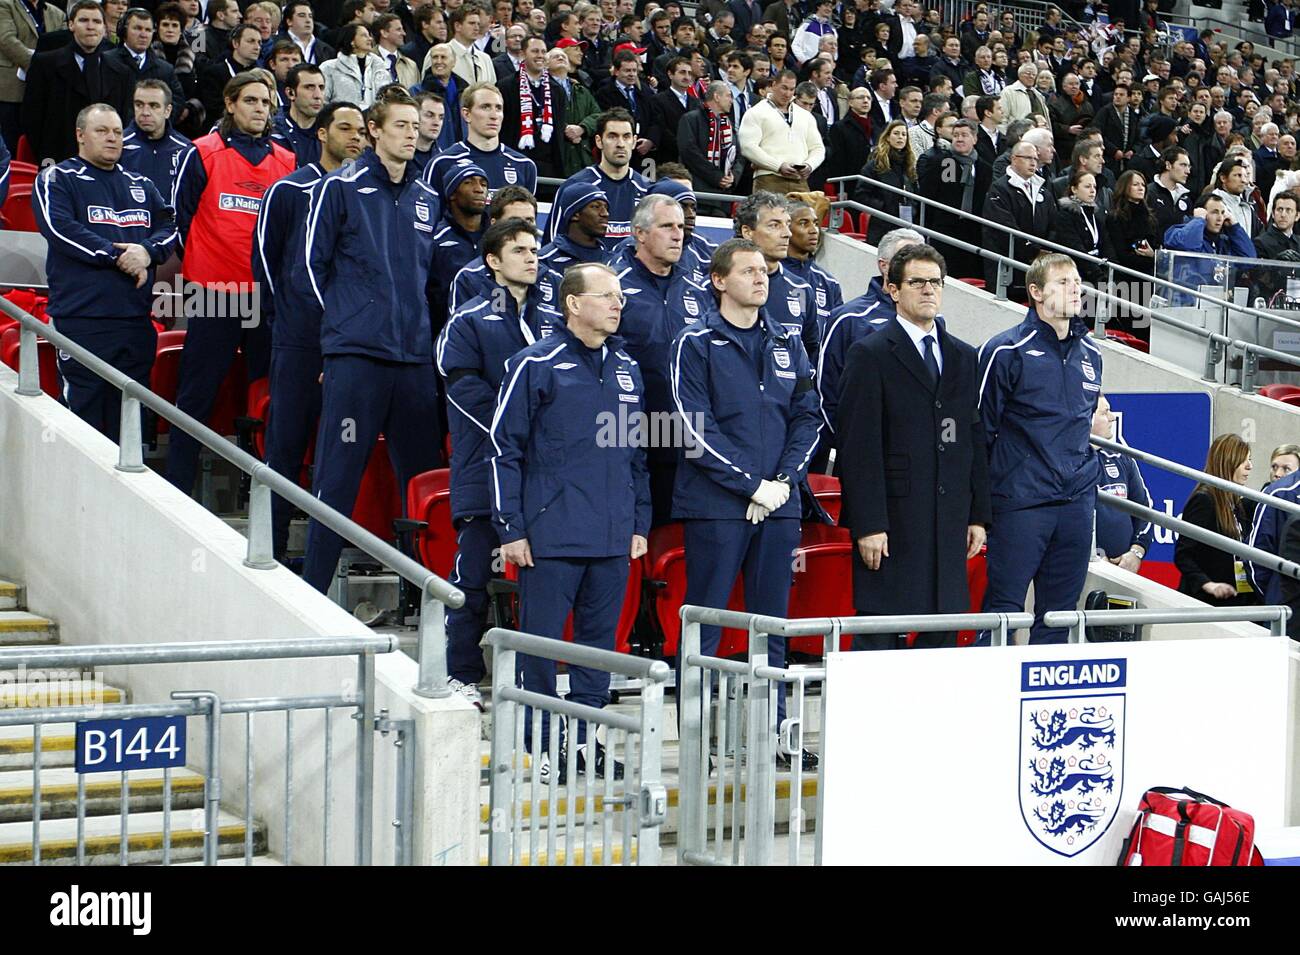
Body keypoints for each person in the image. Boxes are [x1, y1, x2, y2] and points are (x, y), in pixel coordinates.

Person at [491, 261, 650, 776]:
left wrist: (639, 522)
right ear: (573, 303)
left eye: (620, 297)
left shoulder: (627, 368)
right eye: (606, 296)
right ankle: (540, 747)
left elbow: (636, 454)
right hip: (550, 535)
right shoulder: (535, 363)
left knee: (598, 650)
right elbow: (502, 450)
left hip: (611, 535)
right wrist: (511, 529)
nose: (617, 304)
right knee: (540, 647)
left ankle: (585, 744)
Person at [670, 237, 821, 765]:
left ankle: (775, 733)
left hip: (779, 504)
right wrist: (750, 484)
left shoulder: (788, 340)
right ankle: (699, 738)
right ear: (718, 280)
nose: (762, 278)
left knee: (773, 624)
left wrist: (780, 482)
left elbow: (808, 416)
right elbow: (691, 426)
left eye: (765, 271)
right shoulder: (695, 342)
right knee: (708, 624)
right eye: (748, 270)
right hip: (716, 504)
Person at [301, 91, 444, 592]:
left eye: (416, 125)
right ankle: (311, 590)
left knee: (423, 484)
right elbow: (309, 269)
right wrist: (339, 335)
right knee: (337, 476)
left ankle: (421, 596)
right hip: (357, 359)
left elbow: (430, 284)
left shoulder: (428, 199)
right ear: (374, 131)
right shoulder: (340, 188)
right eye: (401, 125)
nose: (411, 132)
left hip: (413, 363)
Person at [836, 242, 990, 650]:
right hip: (893, 519)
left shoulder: (962, 355)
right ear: (893, 289)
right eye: (917, 282)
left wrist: (977, 515)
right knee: (880, 633)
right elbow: (858, 447)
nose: (928, 290)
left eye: (935, 282)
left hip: (948, 518)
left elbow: (969, 437)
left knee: (941, 634)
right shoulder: (869, 353)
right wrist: (869, 524)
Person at [436, 217, 561, 707]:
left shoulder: (557, 317)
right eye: (520, 251)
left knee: (543, 579)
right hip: (483, 469)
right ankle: (461, 674)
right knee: (472, 578)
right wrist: (522, 429)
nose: (533, 258)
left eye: (535, 250)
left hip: (546, 476)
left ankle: (535, 681)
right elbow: (465, 389)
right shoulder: (467, 320)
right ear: (492, 261)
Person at [165, 72, 297, 496]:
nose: (261, 109)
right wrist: (205, 261)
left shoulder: (286, 159)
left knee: (264, 395)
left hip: (264, 295)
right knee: (198, 392)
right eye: (252, 101)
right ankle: (177, 484)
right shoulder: (202, 152)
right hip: (215, 293)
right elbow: (180, 217)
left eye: (266, 103)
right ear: (230, 103)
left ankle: (259, 487)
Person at [252, 100, 367, 561]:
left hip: (351, 343)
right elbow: (265, 260)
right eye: (345, 128)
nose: (356, 137)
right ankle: (272, 548)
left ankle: (329, 553)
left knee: (341, 448)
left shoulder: (367, 192)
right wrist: (287, 321)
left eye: (362, 130)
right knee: (286, 443)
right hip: (300, 340)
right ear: (321, 133)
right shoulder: (288, 190)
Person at [978, 252, 1102, 645]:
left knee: (1060, 615)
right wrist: (977, 511)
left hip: (1076, 504)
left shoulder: (1093, 355)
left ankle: (1041, 707)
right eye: (1063, 283)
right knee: (1003, 609)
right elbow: (979, 433)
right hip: (1020, 502)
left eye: (1077, 282)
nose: (1075, 289)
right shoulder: (1005, 350)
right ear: (1035, 292)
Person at [33, 103, 176, 440]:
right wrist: (117, 256)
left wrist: (147, 252)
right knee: (84, 425)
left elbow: (169, 226)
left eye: (116, 132)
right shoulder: (58, 177)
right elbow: (60, 228)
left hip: (135, 321)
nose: (112, 138)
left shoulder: (141, 183)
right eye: (102, 131)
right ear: (80, 135)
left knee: (133, 424)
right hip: (82, 320)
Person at [609, 193, 713, 524]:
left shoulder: (697, 287)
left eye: (680, 226)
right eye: (667, 226)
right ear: (640, 233)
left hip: (685, 430)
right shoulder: (613, 285)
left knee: (677, 530)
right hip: (626, 429)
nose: (678, 234)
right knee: (636, 528)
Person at [816, 228, 922, 464]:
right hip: (863, 455)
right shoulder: (849, 318)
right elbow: (826, 391)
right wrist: (849, 444)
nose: (916, 267)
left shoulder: (933, 322)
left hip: (916, 457)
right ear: (884, 266)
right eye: (906, 258)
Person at [21, 1, 130, 165]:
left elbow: (124, 119)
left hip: (104, 163)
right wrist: (47, 155)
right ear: (71, 25)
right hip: (55, 159)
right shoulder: (45, 64)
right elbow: (32, 115)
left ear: (104, 28)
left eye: (97, 21)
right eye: (84, 20)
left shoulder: (121, 72)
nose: (91, 26)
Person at [544, 108, 648, 251]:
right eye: (612, 136)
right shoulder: (575, 187)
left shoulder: (646, 190)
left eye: (626, 137)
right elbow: (552, 245)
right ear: (599, 141)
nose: (620, 144)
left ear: (634, 141)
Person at [1175, 433, 1261, 607]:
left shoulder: (1237, 503)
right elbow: (1183, 555)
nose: (1250, 466)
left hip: (1235, 599)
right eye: (1243, 460)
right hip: (1206, 602)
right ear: (1227, 462)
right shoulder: (1204, 500)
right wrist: (1208, 585)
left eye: (1250, 460)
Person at [735, 190, 818, 364]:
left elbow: (811, 351)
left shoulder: (802, 289)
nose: (787, 233)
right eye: (774, 225)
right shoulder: (718, 286)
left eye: (787, 224)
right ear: (747, 232)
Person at [422, 81, 536, 200]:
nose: (494, 115)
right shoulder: (442, 163)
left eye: (498, 108)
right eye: (485, 107)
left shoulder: (524, 166)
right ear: (466, 114)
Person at [981, 138, 1056, 299]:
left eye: (1035, 158)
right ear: (1014, 159)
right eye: (1028, 158)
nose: (1033, 162)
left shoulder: (1043, 191)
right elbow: (1003, 226)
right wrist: (1034, 251)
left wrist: (1046, 250)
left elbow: (1053, 224)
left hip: (1038, 266)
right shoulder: (999, 189)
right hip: (1009, 266)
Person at [916, 119, 988, 279]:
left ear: (975, 139)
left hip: (973, 235)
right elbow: (926, 197)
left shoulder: (984, 168)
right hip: (944, 233)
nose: (959, 139)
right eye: (956, 135)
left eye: (964, 135)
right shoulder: (941, 162)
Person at [426, 162, 488, 339]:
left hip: (489, 336)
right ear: (452, 193)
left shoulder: (498, 240)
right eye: (469, 182)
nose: (479, 189)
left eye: (483, 184)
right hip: (445, 335)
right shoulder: (434, 240)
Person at [737, 68, 824, 195]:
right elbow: (748, 147)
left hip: (799, 180)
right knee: (770, 214)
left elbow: (818, 148)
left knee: (805, 215)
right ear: (773, 85)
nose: (788, 94)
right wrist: (778, 166)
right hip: (768, 179)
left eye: (791, 89)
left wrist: (809, 165)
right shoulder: (755, 112)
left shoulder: (805, 115)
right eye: (784, 88)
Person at [1091, 394, 1152, 572]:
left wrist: (1136, 552)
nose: (1113, 417)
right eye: (1105, 412)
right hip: (1083, 566)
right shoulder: (1069, 461)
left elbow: (1144, 510)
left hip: (1125, 569)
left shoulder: (1122, 458)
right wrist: (1093, 555)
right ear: (1088, 417)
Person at [1162, 194, 1256, 302]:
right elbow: (1190, 245)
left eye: (1223, 213)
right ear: (1202, 212)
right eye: (1214, 212)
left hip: (1215, 305)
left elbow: (1249, 259)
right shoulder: (1176, 233)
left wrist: (1234, 227)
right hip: (1184, 304)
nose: (1220, 218)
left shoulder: (1223, 243)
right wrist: (1199, 220)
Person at [496, 35, 566, 178]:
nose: (540, 56)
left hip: (549, 166)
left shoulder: (557, 90)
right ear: (522, 54)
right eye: (535, 51)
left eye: (543, 51)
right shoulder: (506, 87)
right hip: (515, 162)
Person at [0, 0, 66, 151]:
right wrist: (39, 67)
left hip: (44, 93)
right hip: (11, 91)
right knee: (9, 144)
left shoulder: (58, 14)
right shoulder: (5, 5)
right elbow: (6, 40)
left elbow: (63, 47)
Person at [104, 8, 186, 121]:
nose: (143, 35)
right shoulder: (106, 61)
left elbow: (177, 102)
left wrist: (159, 123)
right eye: (137, 28)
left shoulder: (165, 69)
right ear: (124, 31)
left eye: (148, 30)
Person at [119, 79, 191, 201]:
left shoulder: (185, 149)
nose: (145, 112)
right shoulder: (118, 144)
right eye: (139, 105)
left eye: (154, 106)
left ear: (167, 111)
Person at [783, 195, 841, 334]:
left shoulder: (829, 282)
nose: (814, 230)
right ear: (785, 228)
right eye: (804, 223)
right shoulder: (767, 275)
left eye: (815, 223)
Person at [854, 119, 915, 245]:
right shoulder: (876, 164)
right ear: (887, 137)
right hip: (882, 224)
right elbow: (861, 195)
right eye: (896, 133)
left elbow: (915, 193)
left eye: (904, 134)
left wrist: (913, 210)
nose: (900, 137)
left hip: (906, 223)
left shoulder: (909, 165)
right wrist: (883, 207)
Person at [677, 80, 742, 195]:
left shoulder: (728, 124)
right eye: (728, 96)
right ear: (717, 97)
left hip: (724, 193)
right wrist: (716, 176)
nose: (731, 101)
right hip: (698, 190)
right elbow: (689, 152)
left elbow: (738, 154)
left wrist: (733, 176)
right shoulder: (691, 119)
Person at [1052, 167, 1111, 285]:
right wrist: (1099, 276)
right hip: (1076, 273)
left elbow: (1107, 245)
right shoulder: (1065, 215)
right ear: (1074, 189)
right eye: (1087, 186)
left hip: (1097, 270)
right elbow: (1075, 248)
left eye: (1094, 186)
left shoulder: (1096, 216)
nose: (1092, 190)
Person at [539, 177, 609, 273]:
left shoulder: (611, 260)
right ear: (575, 214)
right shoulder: (544, 260)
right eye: (596, 207)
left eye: (606, 208)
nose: (605, 213)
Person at [197, 23, 263, 125]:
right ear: (236, 43)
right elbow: (214, 109)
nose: (257, 47)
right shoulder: (214, 73)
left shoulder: (262, 74)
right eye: (251, 41)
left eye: (259, 43)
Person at [321, 23, 390, 109]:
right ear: (352, 41)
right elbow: (322, 100)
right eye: (364, 35)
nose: (370, 39)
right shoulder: (329, 67)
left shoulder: (380, 67)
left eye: (369, 35)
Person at [273, 63, 326, 167]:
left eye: (321, 87)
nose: (318, 95)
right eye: (309, 87)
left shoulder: (331, 131)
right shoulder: (272, 132)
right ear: (290, 93)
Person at [1147, 145, 1193, 235]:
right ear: (1168, 165)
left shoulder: (1186, 198)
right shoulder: (1149, 193)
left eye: (1189, 166)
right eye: (1183, 165)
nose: (1188, 171)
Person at [410, 90, 445, 173]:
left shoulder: (445, 160)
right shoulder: (399, 156)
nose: (436, 123)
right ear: (415, 116)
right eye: (430, 115)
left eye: (441, 117)